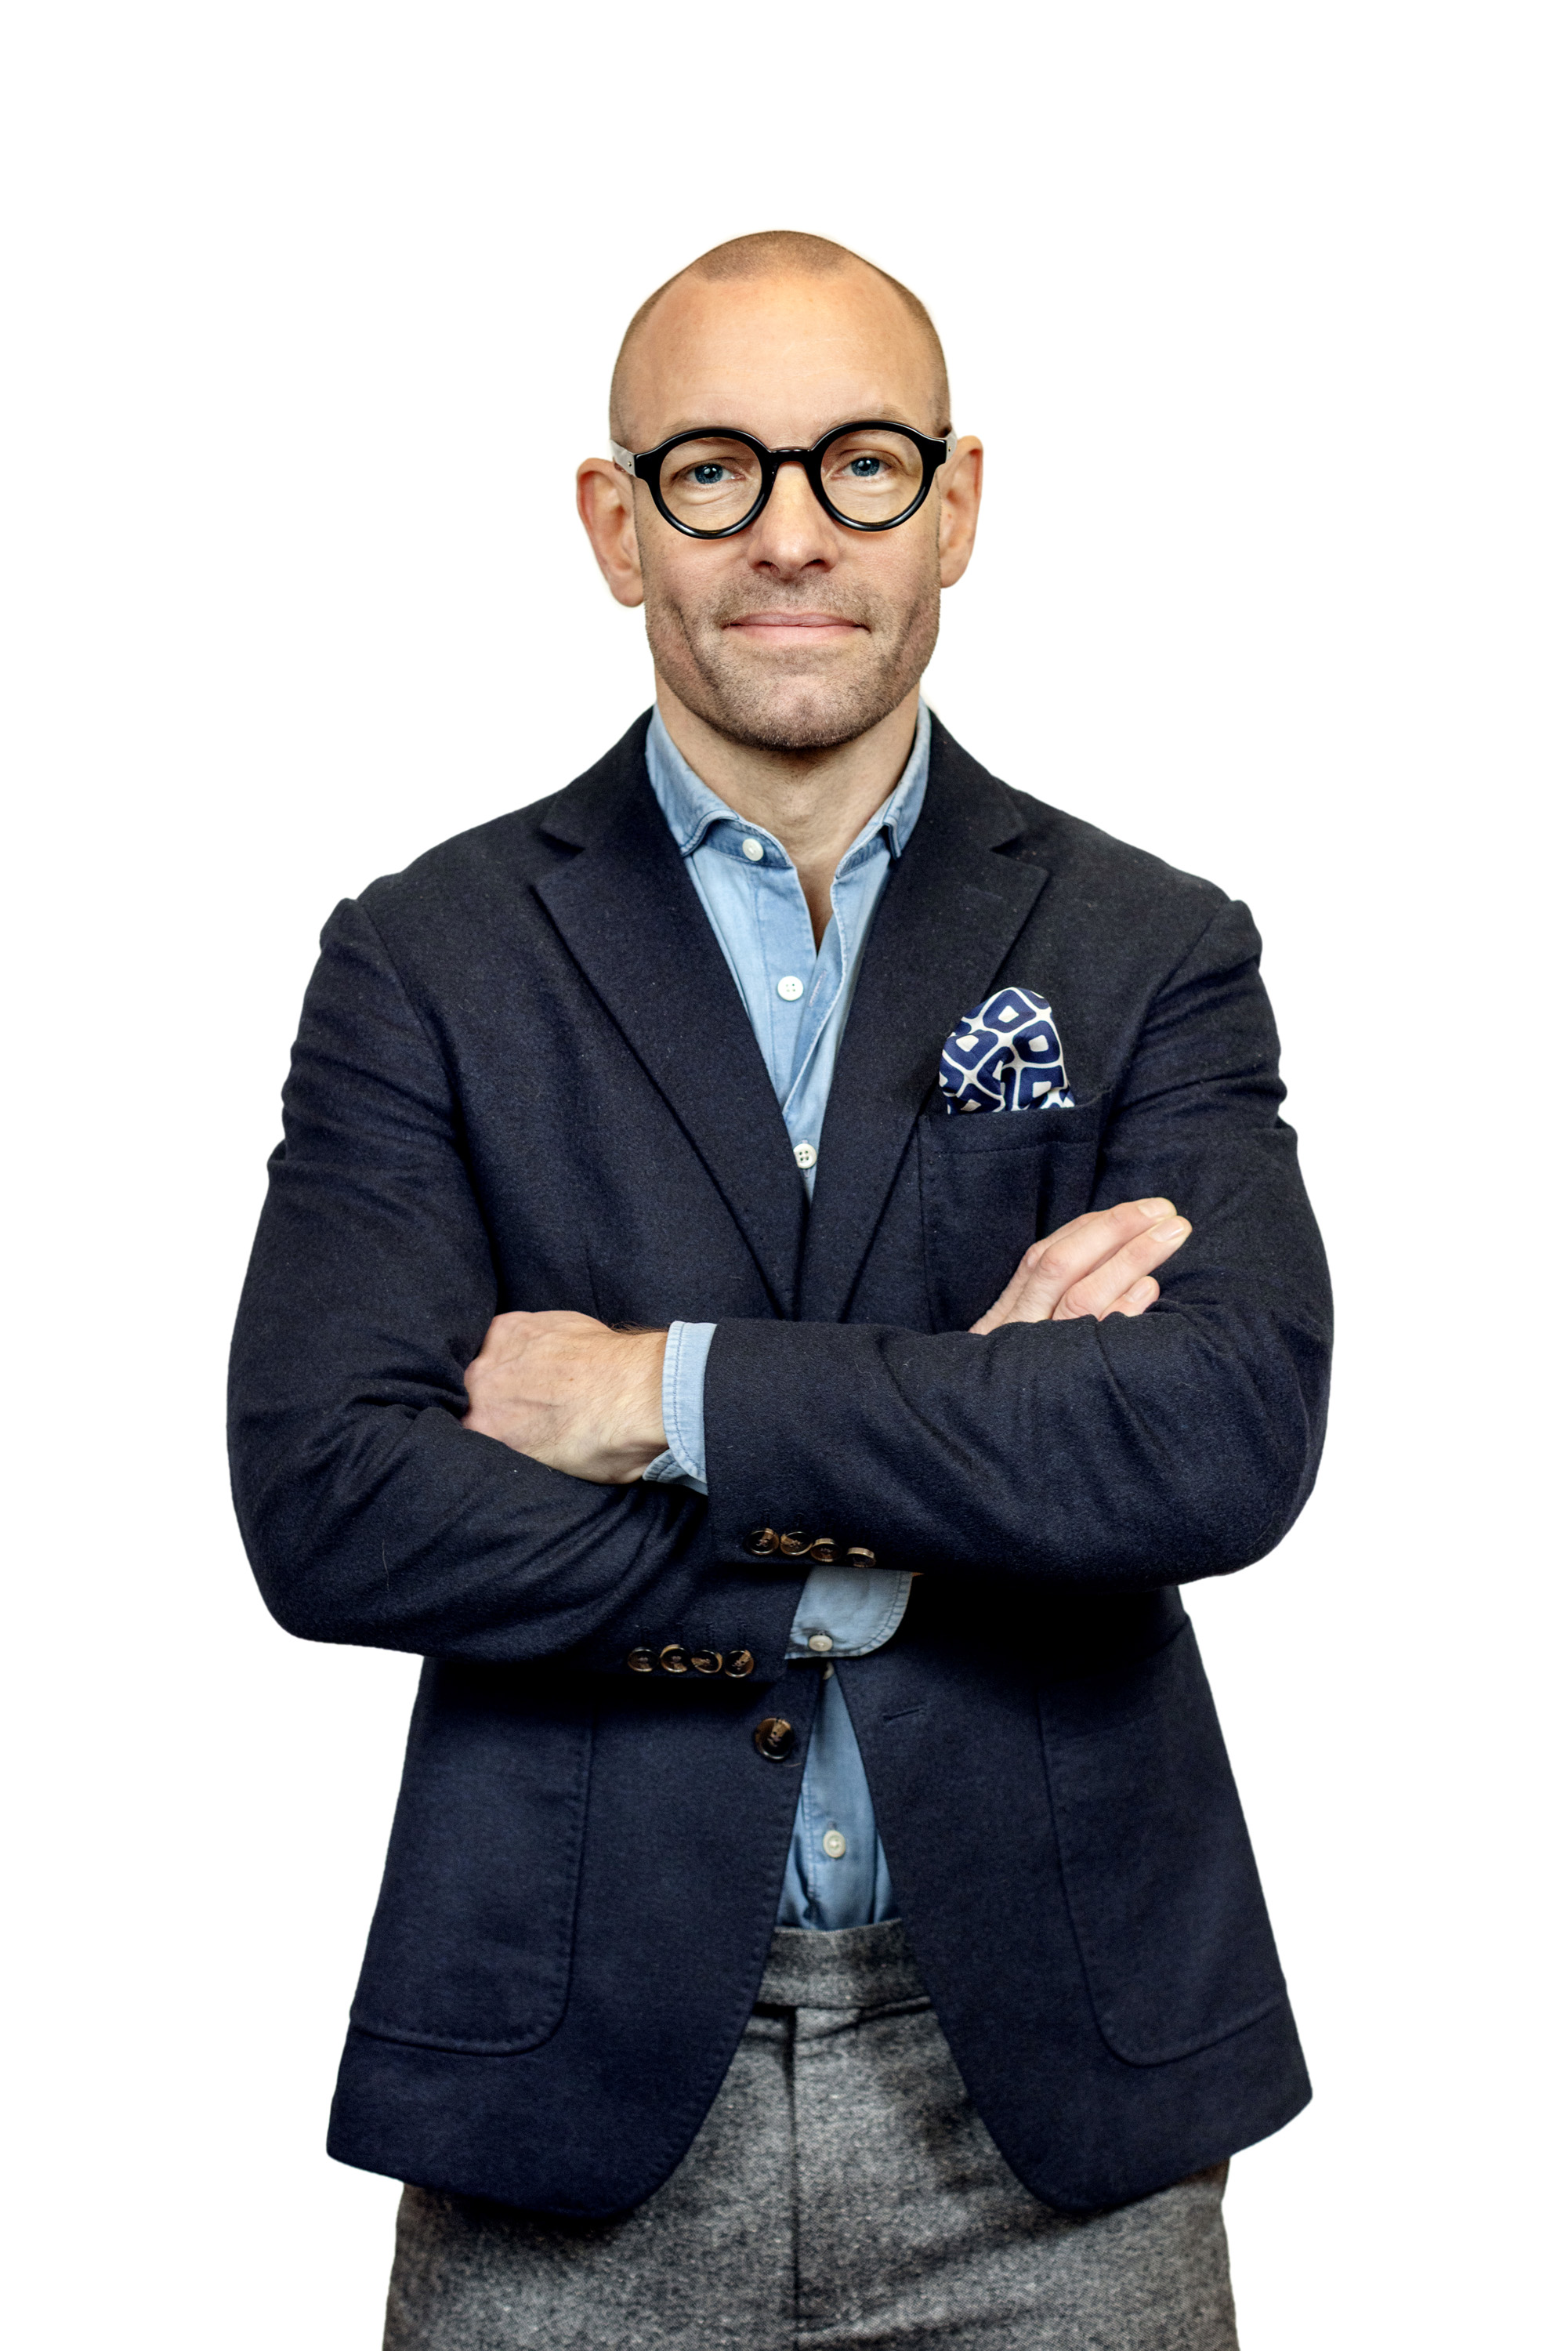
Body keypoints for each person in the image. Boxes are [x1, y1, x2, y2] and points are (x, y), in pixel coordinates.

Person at [229, 230, 1331, 2350]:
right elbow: (334, 1504)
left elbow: (1220, 1439)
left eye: (862, 463)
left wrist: (667, 1391)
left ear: (956, 505)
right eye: (717, 469)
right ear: (616, 523)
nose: (794, 532)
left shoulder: (1150, 948)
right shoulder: (426, 958)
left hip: (1060, 2102)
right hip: (569, 2080)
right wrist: (948, 1475)